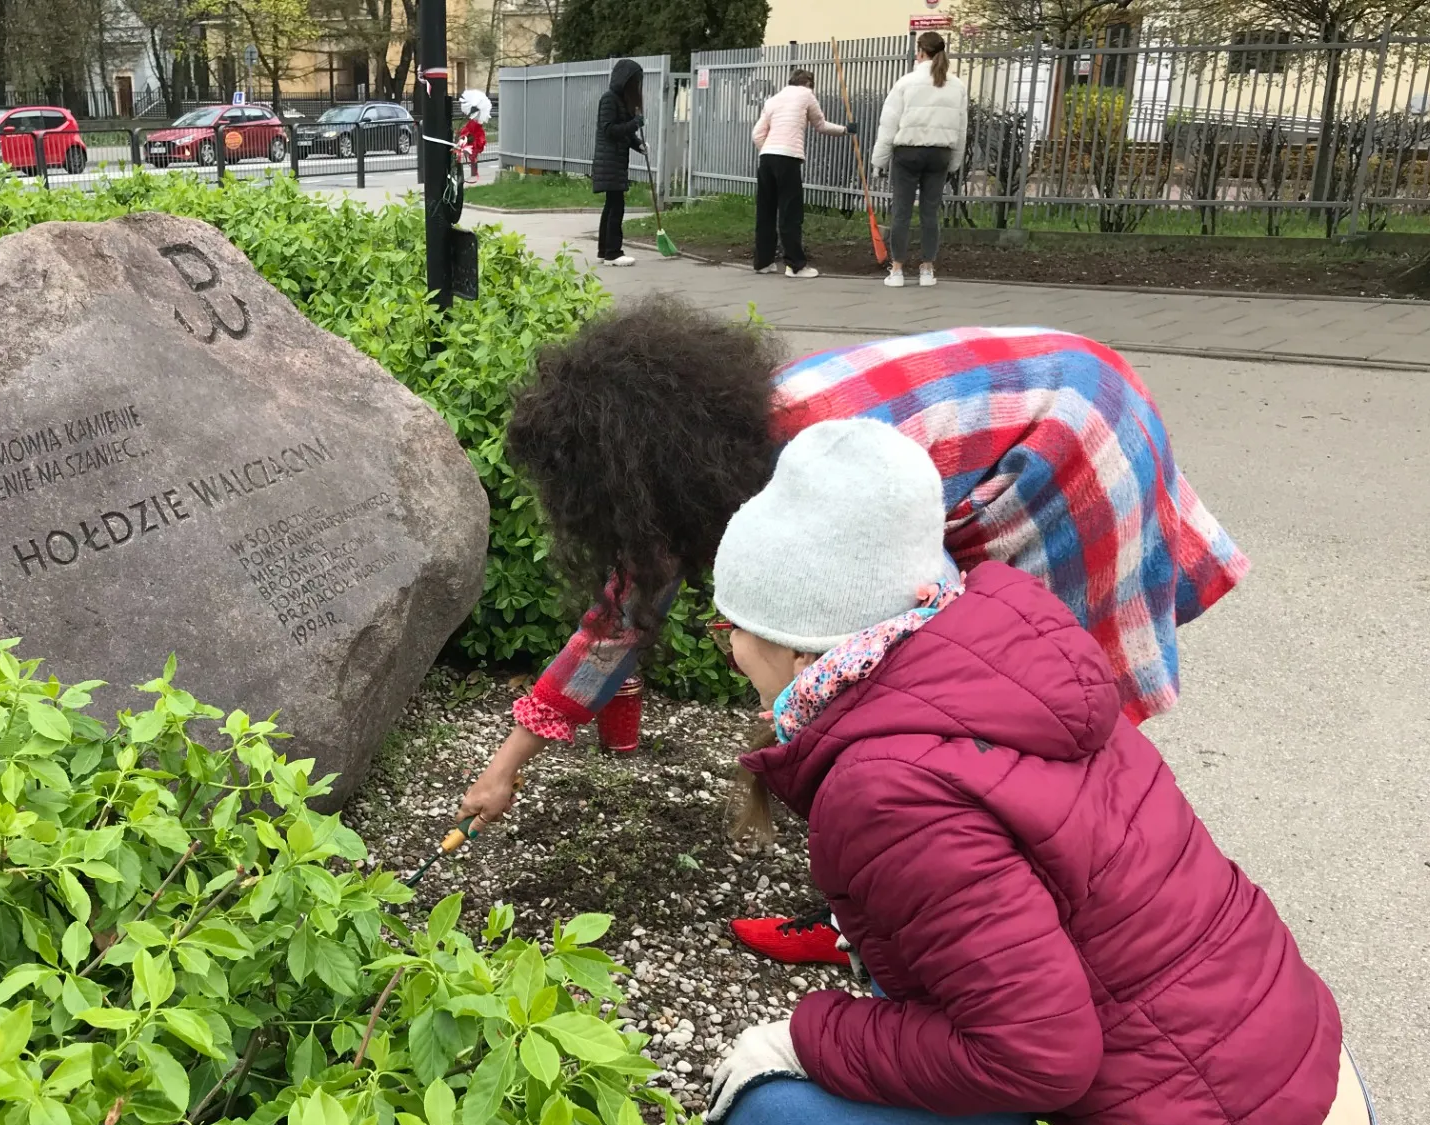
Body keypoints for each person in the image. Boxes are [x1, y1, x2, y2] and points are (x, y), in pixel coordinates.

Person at [703, 418, 1382, 1125]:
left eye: (730, 622)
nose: (719, 642)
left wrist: (803, 1037)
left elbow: (1038, 1052)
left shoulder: (885, 785)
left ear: (795, 636)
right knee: (916, 1022)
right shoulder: (989, 649)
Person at [460, 302, 1248, 963]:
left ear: (634, 474)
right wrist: (504, 770)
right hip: (1049, 391)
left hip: (1068, 437)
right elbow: (620, 619)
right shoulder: (705, 454)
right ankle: (915, 901)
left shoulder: (828, 470)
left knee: (1006, 692)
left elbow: (905, 632)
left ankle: (1017, 915)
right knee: (902, 706)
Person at [873, 31, 968, 288]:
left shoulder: (906, 82)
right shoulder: (957, 85)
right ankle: (927, 269)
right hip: (940, 154)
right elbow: (961, 128)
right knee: (930, 213)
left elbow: (889, 122)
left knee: (901, 212)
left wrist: (879, 160)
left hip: (908, 152)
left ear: (921, 52)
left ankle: (897, 270)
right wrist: (955, 161)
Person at [751, 69, 846, 279]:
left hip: (766, 158)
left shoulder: (773, 100)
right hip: (788, 158)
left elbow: (757, 134)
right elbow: (820, 125)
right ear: (809, 83)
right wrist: (845, 130)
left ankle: (762, 262)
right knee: (790, 212)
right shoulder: (806, 95)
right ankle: (795, 265)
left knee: (765, 212)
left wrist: (769, 151)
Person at [593, 59, 647, 267]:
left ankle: (604, 251)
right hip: (610, 162)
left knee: (612, 206)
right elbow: (610, 130)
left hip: (615, 160)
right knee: (616, 207)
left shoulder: (621, 100)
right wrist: (634, 124)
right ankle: (613, 253)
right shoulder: (609, 99)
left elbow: (624, 133)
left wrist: (638, 145)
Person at [457, 106, 487, 181]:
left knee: (473, 156)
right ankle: (474, 172)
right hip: (472, 139)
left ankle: (474, 172)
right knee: (472, 156)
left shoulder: (474, 123)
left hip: (474, 139)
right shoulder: (473, 123)